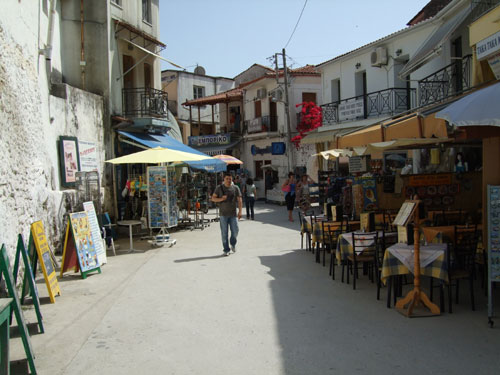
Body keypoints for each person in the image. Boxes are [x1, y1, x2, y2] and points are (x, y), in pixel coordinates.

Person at [212, 172, 243, 256]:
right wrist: (221, 199)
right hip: (223, 215)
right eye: (227, 179)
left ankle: (233, 243)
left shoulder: (235, 188)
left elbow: (239, 200)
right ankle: (226, 249)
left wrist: (240, 211)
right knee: (224, 233)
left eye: (230, 179)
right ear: (224, 179)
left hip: (233, 214)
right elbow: (213, 198)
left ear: (232, 179)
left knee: (235, 231)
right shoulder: (219, 188)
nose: (228, 180)